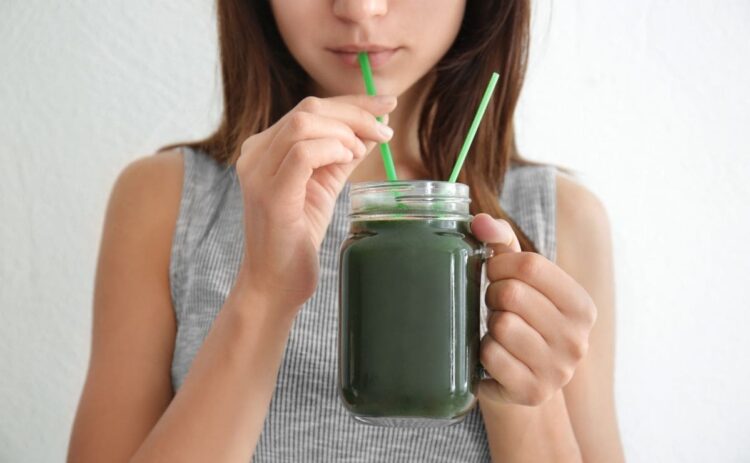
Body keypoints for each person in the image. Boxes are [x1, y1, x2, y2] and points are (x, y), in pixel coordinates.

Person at [67, 1, 625, 461]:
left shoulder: (559, 219)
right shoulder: (165, 200)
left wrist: (521, 397)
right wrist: (264, 291)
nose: (361, 9)